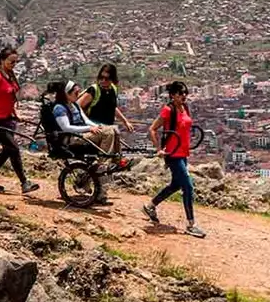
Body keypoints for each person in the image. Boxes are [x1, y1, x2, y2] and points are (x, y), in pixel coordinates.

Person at [143, 81, 205, 237]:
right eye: (180, 93)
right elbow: (152, 129)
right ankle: (191, 224)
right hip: (172, 154)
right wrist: (159, 149)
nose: (183, 96)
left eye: (185, 93)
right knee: (188, 186)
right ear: (172, 95)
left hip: (183, 153)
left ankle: (151, 205)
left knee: (176, 185)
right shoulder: (168, 110)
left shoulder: (185, 108)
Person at [0, 46, 38, 195]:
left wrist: (15, 112)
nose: (14, 65)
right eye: (11, 62)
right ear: (2, 60)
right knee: (13, 148)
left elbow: (9, 97)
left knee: (8, 149)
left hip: (7, 119)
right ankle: (24, 182)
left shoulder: (9, 75)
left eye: (15, 62)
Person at [79, 63, 133, 135]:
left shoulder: (113, 89)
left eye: (107, 79)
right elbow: (77, 107)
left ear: (112, 79)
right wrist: (86, 124)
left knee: (115, 132)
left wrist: (125, 122)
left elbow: (112, 107)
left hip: (107, 128)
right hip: (94, 129)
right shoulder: (94, 90)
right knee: (111, 133)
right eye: (101, 77)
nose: (103, 80)